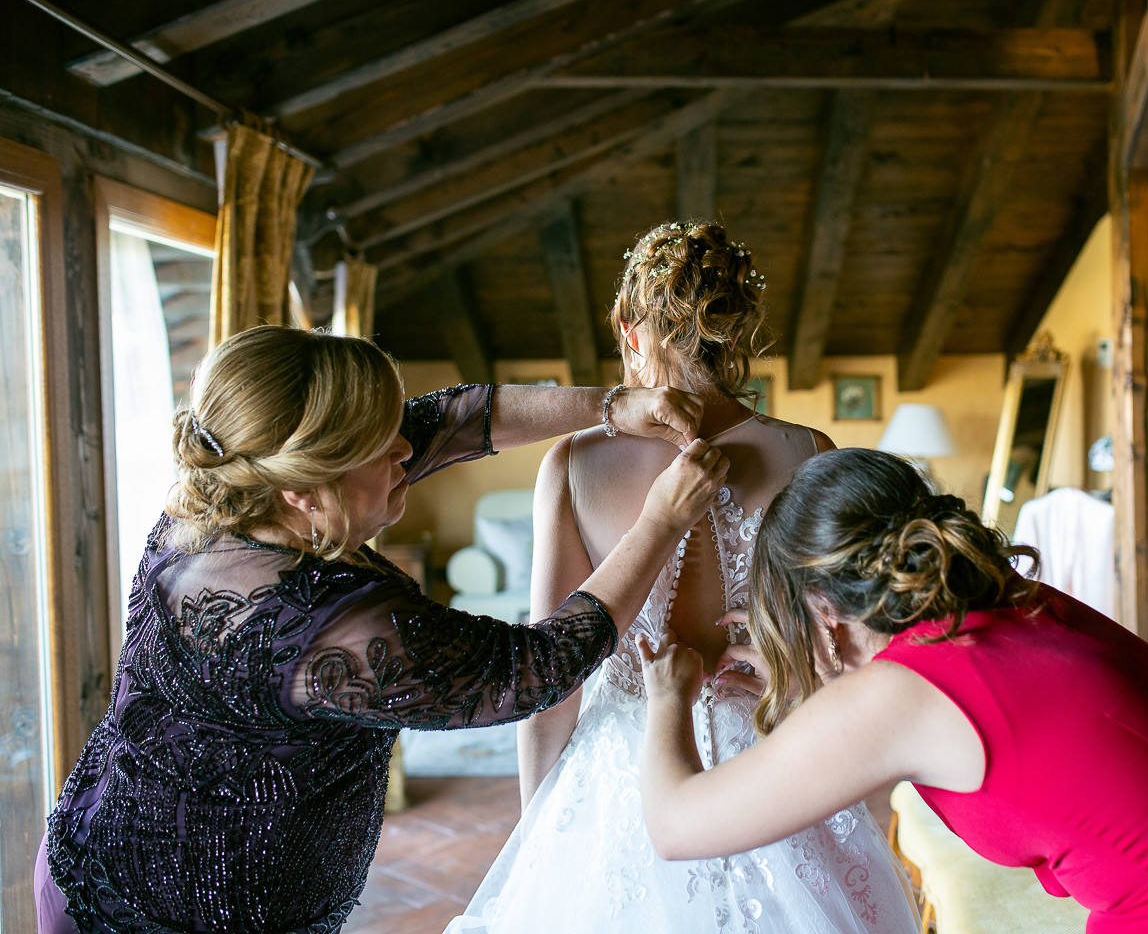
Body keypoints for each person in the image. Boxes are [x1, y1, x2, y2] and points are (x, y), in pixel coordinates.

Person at [37, 324, 729, 934]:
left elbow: (449, 419)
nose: (405, 445)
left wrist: (611, 407)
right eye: (378, 446)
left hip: (92, 845)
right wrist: (661, 524)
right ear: (305, 489)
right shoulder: (334, 627)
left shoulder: (222, 488)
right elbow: (536, 667)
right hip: (171, 915)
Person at [638, 448, 1148, 934]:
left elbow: (676, 825)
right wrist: (808, 673)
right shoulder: (1019, 606)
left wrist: (669, 691)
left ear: (824, 616)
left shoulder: (901, 698)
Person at [447, 223, 921, 933]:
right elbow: (844, 647)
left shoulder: (574, 465)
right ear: (736, 331)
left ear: (629, 330)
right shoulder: (808, 452)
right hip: (769, 758)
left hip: (622, 771)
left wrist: (541, 826)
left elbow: (555, 678)